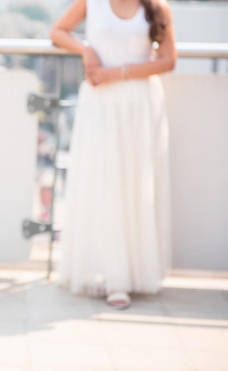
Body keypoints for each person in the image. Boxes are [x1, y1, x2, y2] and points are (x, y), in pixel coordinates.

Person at [50, 0, 176, 310]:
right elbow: (58, 31)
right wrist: (86, 50)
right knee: (101, 184)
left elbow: (168, 60)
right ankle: (107, 273)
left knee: (134, 188)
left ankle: (125, 277)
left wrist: (116, 73)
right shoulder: (91, 2)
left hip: (140, 105)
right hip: (100, 104)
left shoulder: (158, 6)